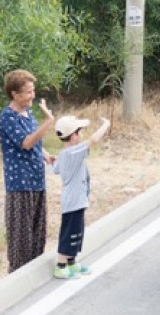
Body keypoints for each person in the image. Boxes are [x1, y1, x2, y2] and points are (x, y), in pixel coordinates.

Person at [0, 69, 55, 273]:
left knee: (37, 229)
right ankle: (17, 275)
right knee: (21, 233)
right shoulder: (7, 117)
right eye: (28, 92)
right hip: (20, 182)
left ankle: (34, 272)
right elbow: (26, 142)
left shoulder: (28, 112)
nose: (33, 95)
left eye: (33, 90)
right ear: (15, 94)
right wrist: (48, 123)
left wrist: (45, 154)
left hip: (36, 178)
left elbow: (34, 141)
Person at [52, 116, 111, 279]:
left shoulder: (64, 153)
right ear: (73, 136)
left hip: (76, 200)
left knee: (77, 232)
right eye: (79, 131)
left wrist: (47, 156)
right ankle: (60, 265)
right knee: (69, 233)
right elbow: (93, 140)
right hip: (73, 202)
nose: (82, 134)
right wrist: (106, 124)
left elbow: (55, 167)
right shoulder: (72, 152)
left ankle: (71, 262)